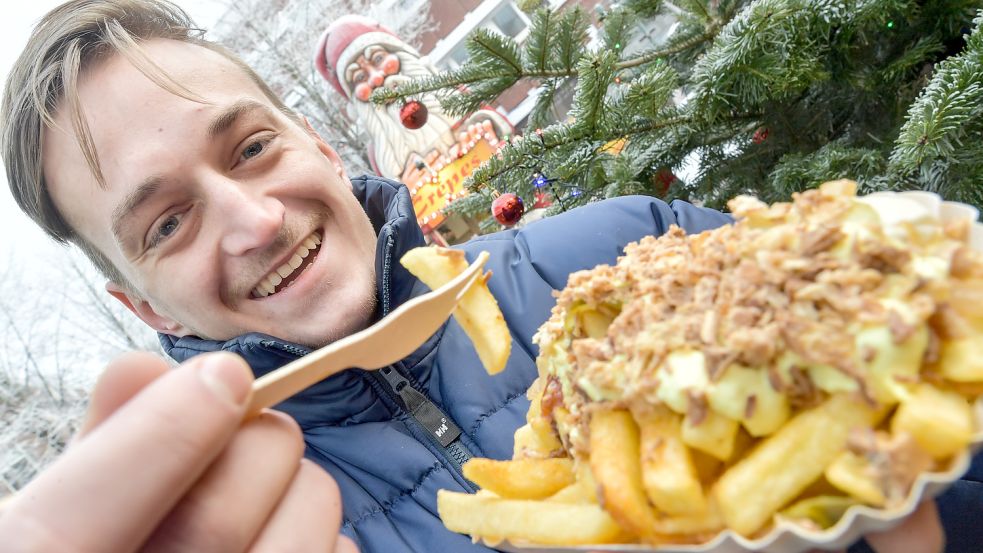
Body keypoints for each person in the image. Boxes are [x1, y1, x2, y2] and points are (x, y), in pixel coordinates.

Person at [0, 1, 963, 551]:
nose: (255, 220)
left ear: (320, 149)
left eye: (252, 148)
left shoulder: (627, 246)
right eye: (168, 221)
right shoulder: (254, 531)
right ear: (137, 303)